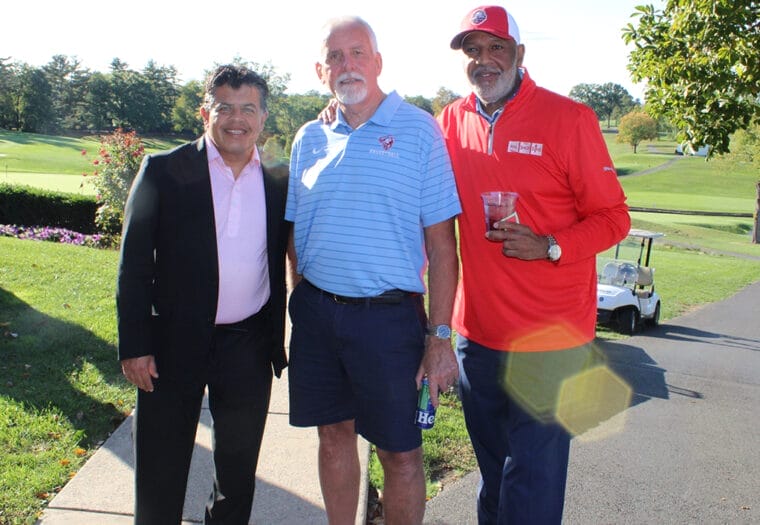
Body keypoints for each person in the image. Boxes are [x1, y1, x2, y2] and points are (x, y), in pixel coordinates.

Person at [436, 5, 632, 524]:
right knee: (494, 477)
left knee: (532, 484)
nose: (484, 60)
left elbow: (614, 218)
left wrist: (550, 244)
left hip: (552, 339)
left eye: (496, 47)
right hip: (477, 336)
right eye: (472, 50)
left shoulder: (570, 119)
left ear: (519, 53)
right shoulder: (449, 122)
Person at [286, 15, 461, 525]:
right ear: (321, 71)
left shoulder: (419, 130)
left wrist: (440, 338)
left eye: (358, 52)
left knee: (400, 454)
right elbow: (295, 232)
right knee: (332, 435)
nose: (348, 65)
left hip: (388, 322)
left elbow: (443, 247)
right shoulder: (308, 138)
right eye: (335, 57)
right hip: (318, 316)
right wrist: (300, 301)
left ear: (378, 61)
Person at [116, 64, 290, 525]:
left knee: (237, 473)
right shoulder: (163, 171)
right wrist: (135, 345)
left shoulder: (279, 179)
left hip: (247, 345)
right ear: (204, 112)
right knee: (160, 467)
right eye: (225, 107)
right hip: (172, 343)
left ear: (263, 118)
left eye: (248, 109)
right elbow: (134, 266)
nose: (237, 119)